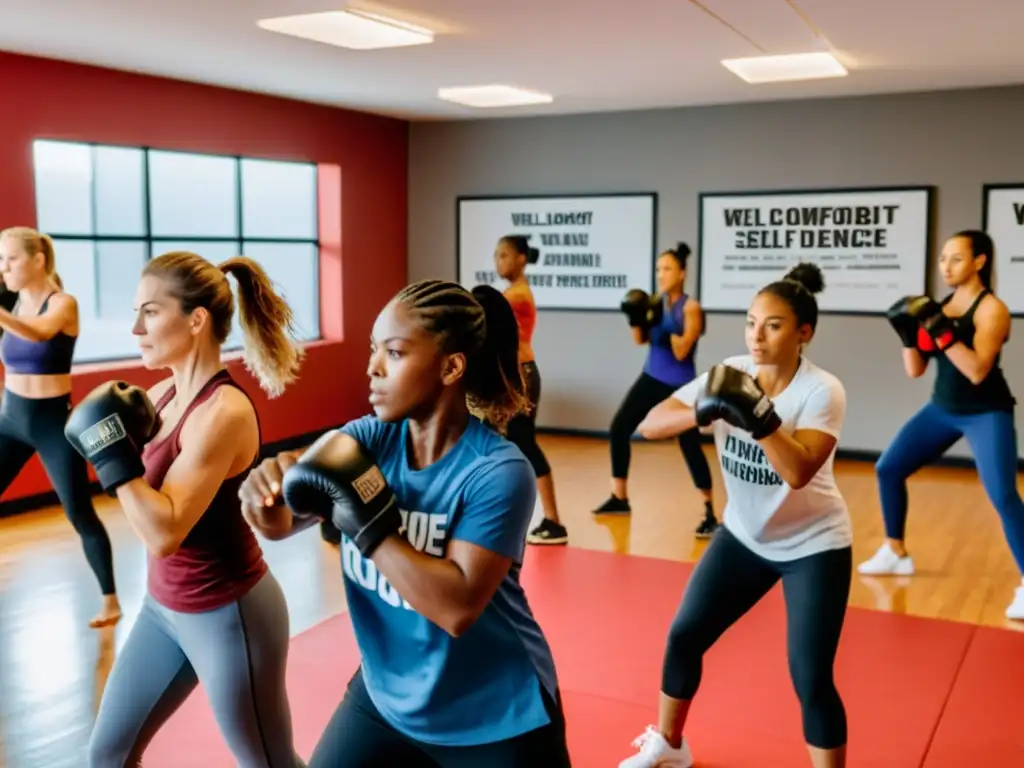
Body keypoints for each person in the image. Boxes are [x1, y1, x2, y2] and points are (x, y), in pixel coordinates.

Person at [239, 279, 571, 768]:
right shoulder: (364, 441)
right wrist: (263, 491)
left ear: (450, 366)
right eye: (374, 350)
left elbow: (456, 608)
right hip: (386, 701)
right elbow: (280, 523)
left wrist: (366, 523)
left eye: (393, 353)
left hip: (497, 715)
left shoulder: (498, 470)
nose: (371, 367)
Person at [65, 251, 306, 766]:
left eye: (150, 312)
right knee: (107, 754)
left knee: (268, 761)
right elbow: (144, 505)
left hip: (229, 614)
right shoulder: (162, 393)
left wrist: (111, 458)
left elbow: (163, 532)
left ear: (196, 320)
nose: (135, 328)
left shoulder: (223, 413)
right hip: (162, 609)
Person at [617, 263, 852, 768]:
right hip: (743, 537)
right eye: (750, 322)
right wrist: (705, 409)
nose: (757, 335)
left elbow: (798, 471)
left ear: (803, 332)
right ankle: (670, 745)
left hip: (813, 545)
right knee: (684, 636)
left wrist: (759, 417)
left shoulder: (820, 391)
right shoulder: (730, 372)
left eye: (772, 324)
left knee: (810, 675)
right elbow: (651, 423)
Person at [859, 230, 1024, 620]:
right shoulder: (942, 306)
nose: (946, 266)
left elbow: (977, 371)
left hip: (987, 412)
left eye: (956, 258)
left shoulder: (991, 310)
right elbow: (915, 371)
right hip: (942, 409)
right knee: (888, 468)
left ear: (979, 262)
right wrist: (907, 336)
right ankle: (896, 551)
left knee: (1002, 494)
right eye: (943, 259)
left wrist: (941, 330)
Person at [0, 226, 121, 628]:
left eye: (10, 259)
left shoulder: (63, 304)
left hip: (53, 424)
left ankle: (110, 600)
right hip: (10, 420)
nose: (3, 269)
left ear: (37, 260)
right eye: (1, 260)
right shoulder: (11, 301)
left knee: (79, 514)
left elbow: (39, 332)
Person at [593, 243, 719, 538]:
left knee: (689, 445)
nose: (661, 274)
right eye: (658, 269)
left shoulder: (691, 308)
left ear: (682, 272)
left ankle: (710, 512)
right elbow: (640, 340)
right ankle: (619, 498)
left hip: (680, 385)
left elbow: (682, 350)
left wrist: (663, 324)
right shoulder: (653, 302)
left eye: (667, 269)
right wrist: (636, 317)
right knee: (619, 427)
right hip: (651, 377)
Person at [493, 234, 568, 545]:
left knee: (522, 442)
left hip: (521, 376)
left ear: (521, 258)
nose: (499, 261)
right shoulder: (512, 293)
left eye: (505, 255)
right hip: (515, 374)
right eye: (496, 256)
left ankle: (552, 521)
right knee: (509, 443)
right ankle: (514, 514)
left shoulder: (516, 296)